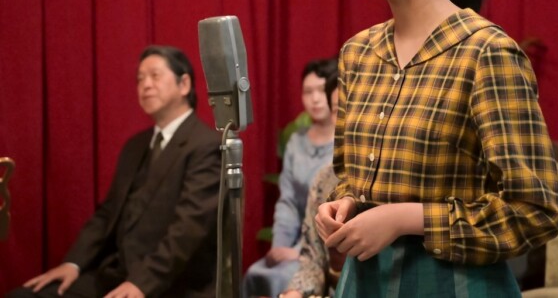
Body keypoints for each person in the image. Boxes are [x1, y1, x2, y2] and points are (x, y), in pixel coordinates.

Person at [314, 0, 558, 298]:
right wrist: (345, 202)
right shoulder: (358, 54)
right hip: (365, 283)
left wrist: (406, 218)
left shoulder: (485, 52)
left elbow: (535, 211)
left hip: (454, 284)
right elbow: (352, 175)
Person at [8, 45, 221, 298]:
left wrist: (142, 284)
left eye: (155, 75)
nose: (145, 85)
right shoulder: (136, 145)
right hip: (115, 274)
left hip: (168, 283)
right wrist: (73, 263)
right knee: (23, 296)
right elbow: (108, 214)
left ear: (184, 84)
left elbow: (189, 228)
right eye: (140, 79)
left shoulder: (206, 146)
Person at [244, 59, 338, 297]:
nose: (315, 99)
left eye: (321, 90)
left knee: (282, 279)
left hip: (322, 247)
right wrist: (281, 247)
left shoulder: (345, 145)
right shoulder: (296, 141)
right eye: (308, 92)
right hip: (293, 244)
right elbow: (288, 202)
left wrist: (298, 252)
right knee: (256, 274)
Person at [280, 71, 345, 298]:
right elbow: (313, 259)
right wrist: (296, 292)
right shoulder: (324, 179)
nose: (347, 119)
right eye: (338, 110)